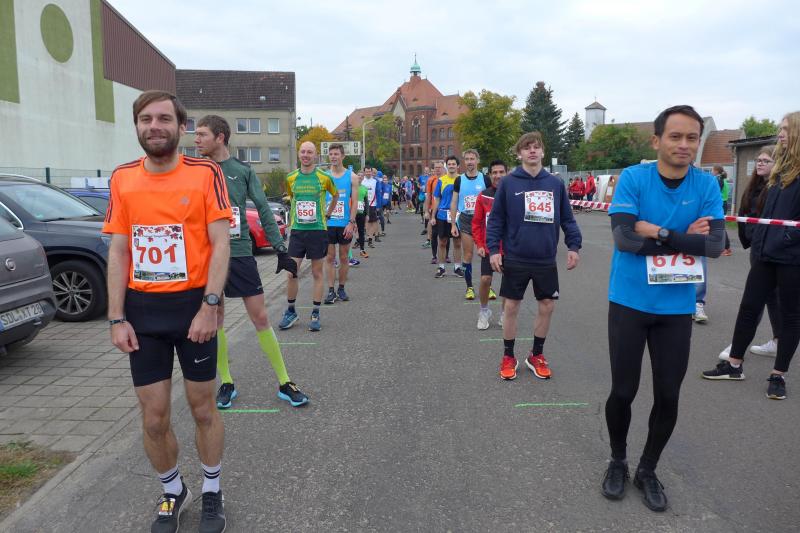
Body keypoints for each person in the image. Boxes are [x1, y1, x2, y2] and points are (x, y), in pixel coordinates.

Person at [104, 90, 231, 531]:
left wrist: (210, 305)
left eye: (163, 118)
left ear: (180, 126)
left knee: (202, 408)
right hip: (143, 312)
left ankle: (212, 490)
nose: (154, 126)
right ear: (136, 126)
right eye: (145, 119)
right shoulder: (122, 178)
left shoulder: (205, 172)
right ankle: (174, 490)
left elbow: (220, 244)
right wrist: (116, 317)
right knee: (154, 417)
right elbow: (119, 251)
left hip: (193, 307)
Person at [601, 105, 724, 512]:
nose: (684, 145)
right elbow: (624, 239)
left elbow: (714, 245)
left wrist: (659, 231)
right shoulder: (634, 178)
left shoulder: (706, 185)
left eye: (692, 137)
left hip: (676, 308)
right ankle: (618, 460)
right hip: (630, 301)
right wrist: (684, 237)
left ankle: (647, 469)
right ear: (657, 141)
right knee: (624, 391)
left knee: (668, 395)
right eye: (675, 136)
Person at [193, 115, 307, 412]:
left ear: (220, 137)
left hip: (240, 252)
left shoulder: (242, 171)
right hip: (206, 255)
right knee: (215, 318)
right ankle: (226, 382)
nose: (196, 139)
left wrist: (280, 248)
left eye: (202, 134)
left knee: (260, 317)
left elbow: (264, 209)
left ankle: (285, 381)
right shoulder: (194, 170)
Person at [702, 112, 800, 400]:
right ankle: (734, 364)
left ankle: (778, 375)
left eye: (785, 129)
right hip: (765, 255)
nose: (780, 133)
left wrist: (784, 239)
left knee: (791, 316)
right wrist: (759, 240)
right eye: (780, 128)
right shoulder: (780, 170)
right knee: (748, 307)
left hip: (792, 259)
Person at [487, 131, 581, 383]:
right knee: (510, 306)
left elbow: (567, 219)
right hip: (515, 256)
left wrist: (574, 246)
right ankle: (508, 356)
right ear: (519, 153)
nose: (532, 151)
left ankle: (536, 355)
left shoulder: (555, 183)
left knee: (547, 305)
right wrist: (494, 250)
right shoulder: (508, 183)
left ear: (542, 152)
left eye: (536, 147)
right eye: (527, 147)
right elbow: (496, 220)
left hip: (545, 258)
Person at [718, 146, 780, 360]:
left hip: (772, 250)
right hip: (758, 247)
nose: (760, 163)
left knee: (756, 299)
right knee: (771, 296)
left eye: (766, 160)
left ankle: (738, 347)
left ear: (777, 164)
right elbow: (747, 214)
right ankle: (778, 341)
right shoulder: (754, 186)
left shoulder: (779, 189)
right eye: (758, 160)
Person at [278, 141, 338, 332]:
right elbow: (291, 197)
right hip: (297, 231)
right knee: (291, 272)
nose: (305, 155)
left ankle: (315, 313)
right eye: (303, 151)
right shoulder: (291, 177)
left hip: (318, 231)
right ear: (299, 154)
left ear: (315, 155)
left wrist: (328, 214)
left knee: (317, 273)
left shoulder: (324, 177)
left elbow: (335, 195)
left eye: (309, 152)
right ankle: (291, 311)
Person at [450, 149, 491, 299]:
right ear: (464, 162)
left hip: (483, 221)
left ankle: (488, 287)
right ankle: (469, 287)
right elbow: (454, 202)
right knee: (468, 254)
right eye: (467, 159)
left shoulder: (485, 179)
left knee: (486, 255)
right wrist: (453, 224)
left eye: (472, 159)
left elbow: (492, 200)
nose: (469, 162)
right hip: (466, 220)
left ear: (477, 160)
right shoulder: (459, 180)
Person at [323, 144, 359, 304]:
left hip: (345, 223)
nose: (333, 157)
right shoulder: (324, 176)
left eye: (336, 154)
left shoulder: (352, 177)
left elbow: (355, 202)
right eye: (331, 154)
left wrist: (351, 222)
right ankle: (331, 291)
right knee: (329, 257)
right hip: (328, 223)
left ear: (342, 156)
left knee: (344, 257)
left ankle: (342, 288)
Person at [472, 159, 506, 331]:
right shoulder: (483, 196)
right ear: (490, 175)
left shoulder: (514, 194)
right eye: (495, 172)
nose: (498, 175)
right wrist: (479, 244)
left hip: (510, 247)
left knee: (508, 282)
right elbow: (476, 223)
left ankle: (505, 313)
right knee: (486, 279)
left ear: (507, 173)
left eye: (501, 172)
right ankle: (484, 311)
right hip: (489, 246)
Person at [432, 156, 463, 277]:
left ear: (457, 166)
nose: (451, 166)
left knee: (457, 243)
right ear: (446, 166)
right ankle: (441, 267)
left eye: (453, 164)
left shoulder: (462, 179)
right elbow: (437, 199)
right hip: (443, 215)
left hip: (458, 215)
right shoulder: (441, 180)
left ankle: (457, 268)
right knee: (442, 242)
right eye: (449, 164)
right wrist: (433, 216)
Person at [713, 165, 733, 256]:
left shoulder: (719, 180)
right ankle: (720, 246)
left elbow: (715, 192)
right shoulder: (724, 180)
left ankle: (726, 248)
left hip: (719, 204)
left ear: (716, 171)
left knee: (719, 226)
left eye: (712, 170)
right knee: (717, 226)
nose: (712, 172)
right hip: (723, 203)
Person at [361, 167, 379, 248]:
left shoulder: (375, 181)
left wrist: (379, 205)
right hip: (362, 205)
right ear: (364, 172)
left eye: (369, 171)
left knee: (373, 222)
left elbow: (378, 193)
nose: (368, 173)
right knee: (365, 222)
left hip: (372, 204)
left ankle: (370, 239)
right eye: (366, 171)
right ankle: (364, 238)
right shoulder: (361, 181)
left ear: (371, 172)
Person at [354, 172, 370, 258]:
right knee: (349, 231)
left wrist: (367, 214)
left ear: (363, 177)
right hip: (351, 213)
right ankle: (348, 254)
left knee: (361, 231)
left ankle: (362, 250)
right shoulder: (351, 187)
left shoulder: (364, 188)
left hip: (361, 212)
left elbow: (366, 202)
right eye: (358, 175)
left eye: (361, 176)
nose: (360, 177)